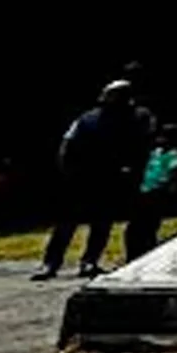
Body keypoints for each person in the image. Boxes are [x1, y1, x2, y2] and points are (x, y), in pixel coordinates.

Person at [33, 82, 157, 281]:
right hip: (81, 175)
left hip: (111, 176)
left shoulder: (138, 117)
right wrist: (68, 170)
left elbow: (142, 145)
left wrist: (132, 170)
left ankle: (89, 261)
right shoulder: (87, 119)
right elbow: (68, 144)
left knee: (102, 221)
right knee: (67, 222)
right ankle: (50, 263)